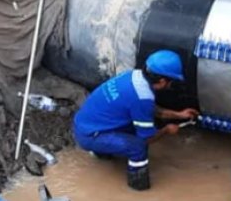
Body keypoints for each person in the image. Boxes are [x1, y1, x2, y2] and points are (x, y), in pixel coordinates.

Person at [73, 50, 199, 191]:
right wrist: (167, 130)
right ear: (163, 81)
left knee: (139, 128)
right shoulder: (143, 98)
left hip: (85, 123)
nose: (171, 85)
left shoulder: (134, 76)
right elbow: (147, 138)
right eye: (172, 81)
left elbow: (151, 109)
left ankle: (102, 154)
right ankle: (138, 188)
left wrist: (179, 115)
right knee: (138, 147)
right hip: (89, 135)